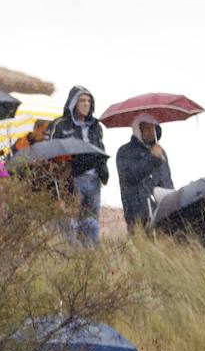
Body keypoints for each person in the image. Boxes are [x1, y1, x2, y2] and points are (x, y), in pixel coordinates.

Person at [48, 85, 109, 246]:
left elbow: (101, 149)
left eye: (89, 100)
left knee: (92, 222)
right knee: (71, 221)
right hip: (72, 179)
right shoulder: (60, 125)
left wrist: (104, 171)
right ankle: (71, 256)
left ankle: (91, 257)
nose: (86, 104)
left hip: (94, 180)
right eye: (82, 100)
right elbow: (51, 153)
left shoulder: (96, 126)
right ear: (73, 102)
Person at [115, 116, 174, 232]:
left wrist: (172, 205)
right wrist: (152, 159)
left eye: (152, 128)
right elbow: (130, 176)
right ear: (138, 130)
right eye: (146, 128)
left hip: (162, 214)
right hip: (138, 215)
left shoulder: (160, 152)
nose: (150, 132)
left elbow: (167, 181)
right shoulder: (125, 152)